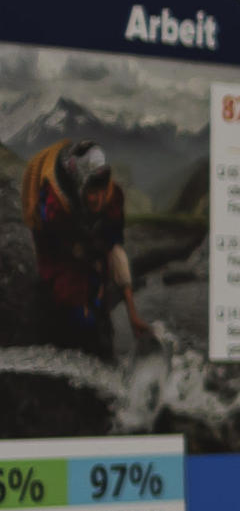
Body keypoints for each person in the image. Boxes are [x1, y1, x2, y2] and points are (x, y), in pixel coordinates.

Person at [19, 141, 152, 354]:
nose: (99, 199)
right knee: (77, 314)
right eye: (92, 191)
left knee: (99, 311)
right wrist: (82, 253)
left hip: (86, 242)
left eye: (102, 190)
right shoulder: (54, 205)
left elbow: (114, 249)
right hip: (59, 248)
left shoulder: (112, 197)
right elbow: (61, 248)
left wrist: (132, 315)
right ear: (78, 186)